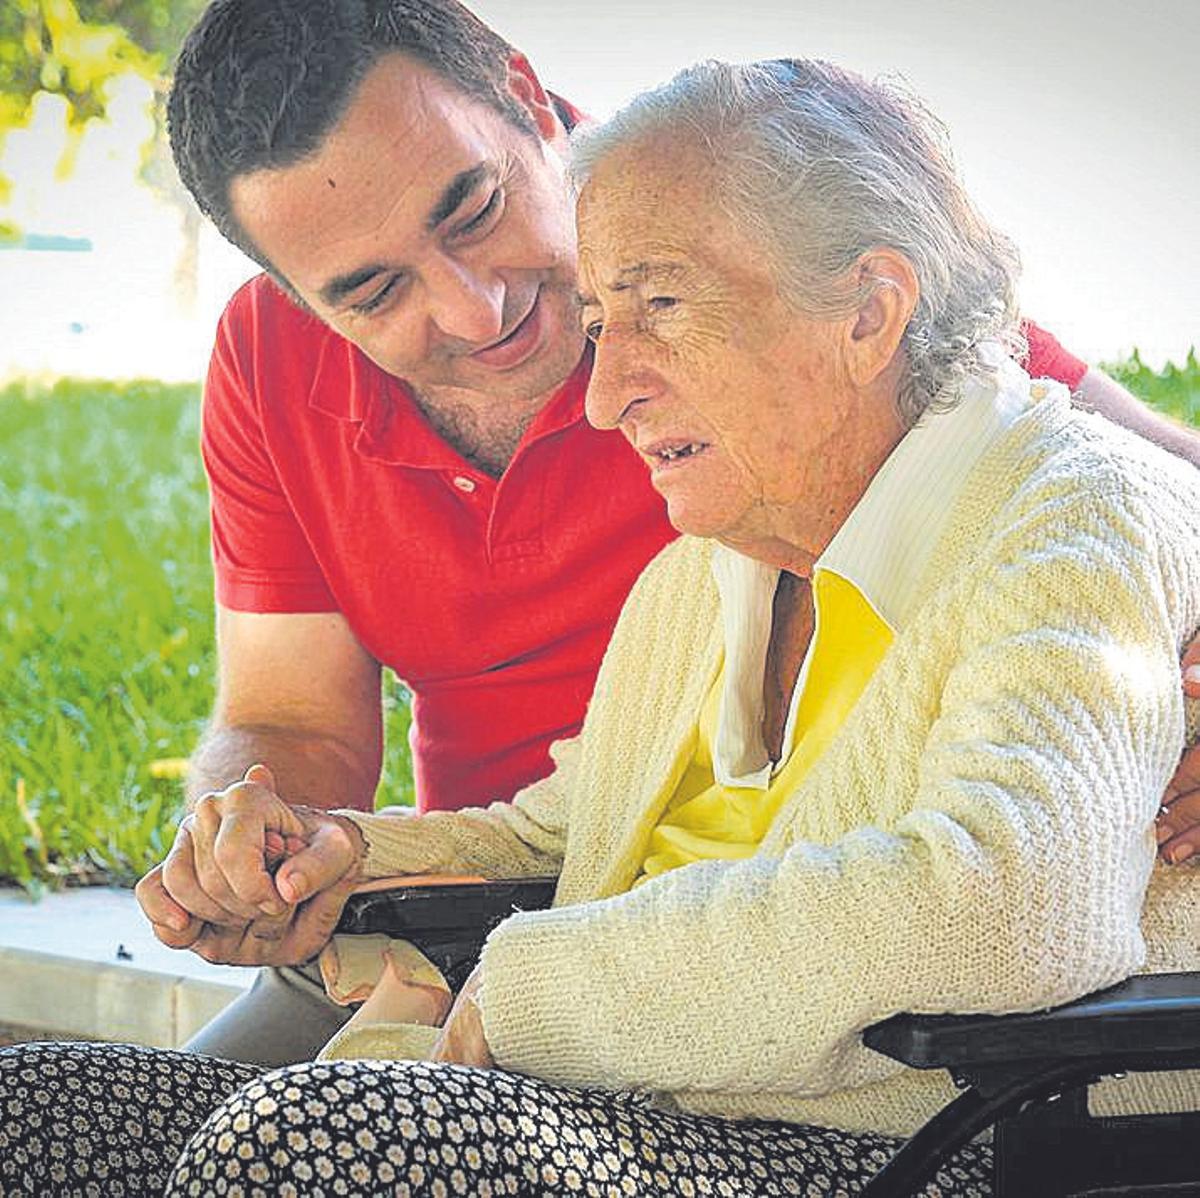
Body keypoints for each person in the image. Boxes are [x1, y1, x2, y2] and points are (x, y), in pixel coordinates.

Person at [6, 54, 1199, 1198]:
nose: (602, 388)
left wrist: (532, 987)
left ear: (870, 314)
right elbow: (568, 827)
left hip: (897, 1137)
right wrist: (349, 853)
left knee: (308, 1144)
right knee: (34, 1114)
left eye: (657, 308)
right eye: (602, 315)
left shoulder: (1057, 506)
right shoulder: (712, 564)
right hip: (617, 1084)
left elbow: (1004, 906)